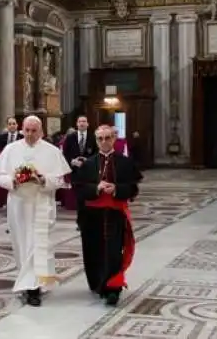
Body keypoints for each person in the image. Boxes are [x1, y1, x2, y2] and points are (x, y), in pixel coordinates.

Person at [0, 115, 70, 306]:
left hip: (42, 203)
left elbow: (60, 180)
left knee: (38, 245)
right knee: (21, 243)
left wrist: (43, 180)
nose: (29, 134)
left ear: (41, 131)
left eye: (33, 130)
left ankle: (34, 287)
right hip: (18, 204)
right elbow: (0, 177)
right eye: (26, 130)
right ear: (21, 130)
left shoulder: (52, 151)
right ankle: (26, 281)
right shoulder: (11, 149)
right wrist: (13, 181)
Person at [73, 125, 141, 306]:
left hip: (115, 214)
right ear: (96, 141)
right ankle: (97, 283)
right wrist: (96, 188)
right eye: (100, 138)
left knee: (113, 251)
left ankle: (113, 288)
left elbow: (133, 189)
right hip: (91, 215)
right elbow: (79, 190)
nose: (104, 142)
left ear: (114, 139)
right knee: (93, 250)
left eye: (108, 138)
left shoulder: (125, 162)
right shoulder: (88, 164)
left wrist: (116, 189)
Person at [61, 116, 98, 217]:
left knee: (88, 196)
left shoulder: (93, 137)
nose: (82, 123)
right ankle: (81, 217)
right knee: (78, 196)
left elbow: (97, 153)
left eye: (84, 121)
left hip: (89, 172)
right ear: (77, 124)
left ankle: (88, 216)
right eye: (80, 121)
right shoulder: (70, 137)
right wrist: (72, 161)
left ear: (87, 124)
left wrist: (88, 161)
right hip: (75, 171)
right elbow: (65, 153)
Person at [0, 116, 22, 209]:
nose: (12, 126)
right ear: (7, 126)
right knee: (3, 182)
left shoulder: (22, 137)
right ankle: (2, 200)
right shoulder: (1, 137)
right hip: (4, 164)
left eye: (14, 123)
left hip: (18, 164)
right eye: (10, 124)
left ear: (17, 125)